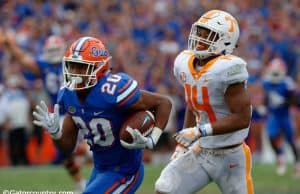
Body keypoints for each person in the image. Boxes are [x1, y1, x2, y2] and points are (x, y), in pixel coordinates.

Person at [33, 36, 172, 193]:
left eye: (80, 67)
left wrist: (153, 139)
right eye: (72, 66)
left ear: (99, 68)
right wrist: (55, 133)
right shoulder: (68, 95)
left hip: (125, 171)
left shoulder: (112, 91)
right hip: (99, 169)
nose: (74, 72)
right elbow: (67, 148)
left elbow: (163, 103)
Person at [155, 10, 254, 194]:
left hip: (231, 157)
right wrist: (182, 144)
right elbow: (194, 105)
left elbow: (242, 118)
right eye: (199, 32)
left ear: (225, 39)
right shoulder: (185, 62)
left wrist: (200, 130)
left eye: (207, 34)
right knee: (165, 188)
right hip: (202, 151)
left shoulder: (229, 68)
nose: (200, 38)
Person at [3, 31, 87, 192]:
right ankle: (81, 182)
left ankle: (83, 180)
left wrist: (10, 45)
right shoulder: (72, 63)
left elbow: (22, 58)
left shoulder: (45, 65)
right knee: (68, 151)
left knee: (71, 150)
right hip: (68, 112)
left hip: (64, 113)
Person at [262, 58, 300, 177]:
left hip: (285, 116)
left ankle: (297, 164)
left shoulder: (287, 83)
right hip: (274, 115)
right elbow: (266, 97)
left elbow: (295, 100)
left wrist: (284, 102)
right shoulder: (266, 82)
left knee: (291, 141)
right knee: (271, 136)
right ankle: (280, 156)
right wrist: (263, 106)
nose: (275, 74)